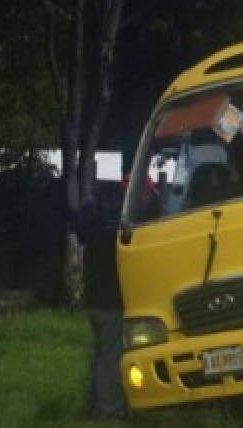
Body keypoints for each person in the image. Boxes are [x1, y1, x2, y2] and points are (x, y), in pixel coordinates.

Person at [75, 155, 131, 418]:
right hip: (110, 303)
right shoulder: (112, 236)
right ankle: (110, 409)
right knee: (111, 356)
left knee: (99, 354)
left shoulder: (93, 236)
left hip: (93, 301)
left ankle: (94, 404)